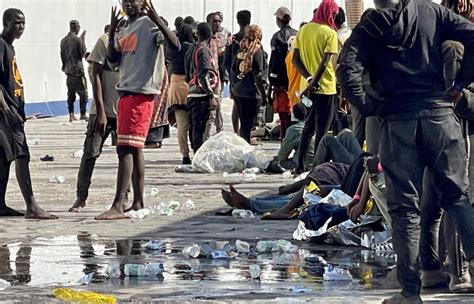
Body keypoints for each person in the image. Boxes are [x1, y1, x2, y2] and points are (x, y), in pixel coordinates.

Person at [337, 0, 474, 302]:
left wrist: (369, 106)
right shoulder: (432, 11)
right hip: (441, 119)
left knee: (405, 211)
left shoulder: (370, 25)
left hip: (399, 123)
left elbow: (346, 68)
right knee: (457, 198)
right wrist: (459, 83)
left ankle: (410, 293)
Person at [95, 0, 179, 220]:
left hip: (139, 94)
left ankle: (117, 205)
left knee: (124, 149)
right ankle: (138, 201)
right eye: (126, 1)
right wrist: (113, 31)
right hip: (125, 93)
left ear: (143, 3)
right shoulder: (126, 27)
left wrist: (158, 20)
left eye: (134, 1)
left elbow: (175, 45)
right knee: (135, 149)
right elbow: (113, 58)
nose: (129, 4)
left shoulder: (148, 25)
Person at [0, 8, 57, 219]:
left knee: (3, 158)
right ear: (5, 23)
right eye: (16, 23)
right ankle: (32, 206)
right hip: (6, 113)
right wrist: (7, 111)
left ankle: (0, 203)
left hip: (11, 111)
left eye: (23, 23)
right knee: (22, 155)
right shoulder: (1, 46)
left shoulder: (9, 48)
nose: (21, 27)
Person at [68, 25, 120, 213]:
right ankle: (81, 197)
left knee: (127, 155)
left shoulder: (134, 41)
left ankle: (124, 197)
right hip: (102, 111)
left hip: (123, 111)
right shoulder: (104, 42)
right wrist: (100, 112)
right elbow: (95, 77)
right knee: (90, 153)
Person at [292, 0, 340, 173]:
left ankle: (299, 165)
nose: (334, 17)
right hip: (326, 87)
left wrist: (309, 79)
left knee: (308, 127)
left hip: (307, 89)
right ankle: (318, 167)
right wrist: (315, 81)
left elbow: (295, 59)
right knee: (322, 129)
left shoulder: (303, 30)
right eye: (334, 14)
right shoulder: (330, 33)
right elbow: (326, 61)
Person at [232, 25, 268, 143]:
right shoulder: (257, 51)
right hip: (251, 93)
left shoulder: (241, 49)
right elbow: (257, 75)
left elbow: (233, 69)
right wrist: (263, 95)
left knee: (244, 125)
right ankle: (245, 150)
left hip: (239, 90)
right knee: (248, 125)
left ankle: (243, 146)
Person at [185, 22, 217, 152]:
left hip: (191, 94)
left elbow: (187, 75)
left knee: (194, 127)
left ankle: (195, 153)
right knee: (200, 128)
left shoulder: (190, 50)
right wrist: (211, 95)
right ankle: (198, 155)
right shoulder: (203, 51)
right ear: (210, 35)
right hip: (201, 95)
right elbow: (204, 75)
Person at [267, 7, 297, 141]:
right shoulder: (297, 34)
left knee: (284, 116)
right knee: (295, 115)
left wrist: (271, 84)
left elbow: (275, 62)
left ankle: (284, 144)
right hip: (296, 81)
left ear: (279, 20)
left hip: (281, 83)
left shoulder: (276, 37)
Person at [168, 24, 194, 164]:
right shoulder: (192, 48)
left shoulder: (172, 49)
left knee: (182, 125)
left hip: (175, 86)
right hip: (190, 86)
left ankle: (185, 155)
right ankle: (197, 150)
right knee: (195, 123)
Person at [224, 10, 251, 134]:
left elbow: (226, 61)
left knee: (236, 103)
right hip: (249, 77)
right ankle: (246, 132)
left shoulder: (232, 39)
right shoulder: (252, 39)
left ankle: (236, 132)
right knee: (248, 105)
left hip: (234, 77)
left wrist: (230, 75)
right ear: (249, 20)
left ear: (237, 21)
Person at [60, 20, 88, 122]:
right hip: (78, 71)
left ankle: (71, 114)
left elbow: (62, 55)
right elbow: (83, 53)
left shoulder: (63, 40)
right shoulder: (77, 40)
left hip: (68, 71)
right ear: (77, 27)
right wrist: (83, 40)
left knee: (70, 94)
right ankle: (83, 114)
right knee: (83, 93)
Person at [204, 12, 224, 139]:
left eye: (219, 21)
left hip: (217, 79)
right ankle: (205, 139)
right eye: (214, 21)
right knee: (210, 112)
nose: (217, 24)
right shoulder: (205, 42)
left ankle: (220, 134)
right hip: (208, 80)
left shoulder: (217, 40)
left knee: (218, 109)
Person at [277, 103, 315, 170]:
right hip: (317, 164)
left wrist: (277, 159)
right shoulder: (318, 127)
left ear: (294, 115)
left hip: (302, 164)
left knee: (279, 163)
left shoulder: (293, 129)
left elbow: (283, 154)